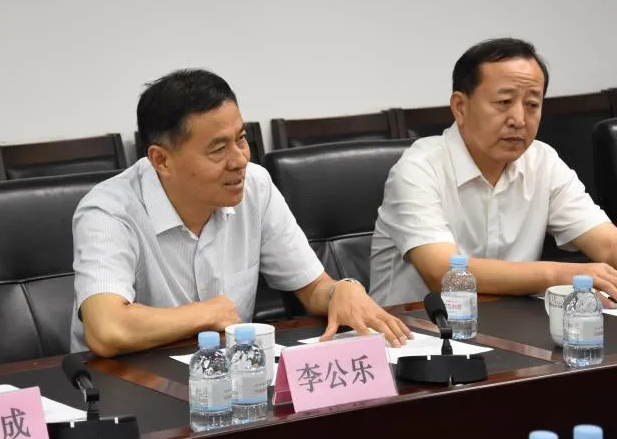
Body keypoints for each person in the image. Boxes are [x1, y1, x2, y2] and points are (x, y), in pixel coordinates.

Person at [70, 69, 411, 356]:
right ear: (162, 160)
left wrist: (340, 291)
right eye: (218, 149)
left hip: (228, 379)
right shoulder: (108, 211)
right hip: (126, 384)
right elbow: (107, 329)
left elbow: (311, 288)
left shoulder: (255, 186)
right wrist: (206, 314)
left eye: (241, 139)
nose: (240, 160)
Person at [369, 38, 617, 306]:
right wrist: (559, 275)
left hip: (511, 325)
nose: (519, 119)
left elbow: (607, 244)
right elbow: (443, 273)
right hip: (415, 326)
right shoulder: (418, 168)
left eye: (532, 104)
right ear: (460, 107)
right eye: (504, 102)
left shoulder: (542, 161)